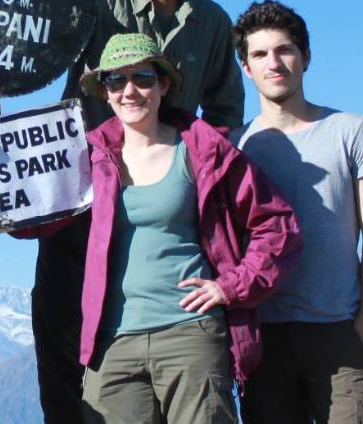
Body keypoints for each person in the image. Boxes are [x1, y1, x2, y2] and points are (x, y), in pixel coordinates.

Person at [36, 0, 247, 424]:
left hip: (166, 201)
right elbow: (40, 26)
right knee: (65, 329)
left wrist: (198, 166)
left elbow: (225, 110)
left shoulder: (212, 22)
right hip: (85, 195)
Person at [31, 34, 297, 423]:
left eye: (142, 77)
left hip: (190, 335)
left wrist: (231, 286)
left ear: (164, 85)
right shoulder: (89, 158)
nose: (129, 91)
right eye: (115, 82)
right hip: (113, 343)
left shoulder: (204, 150)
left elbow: (276, 225)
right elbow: (34, 220)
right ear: (104, 93)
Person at [231, 1, 363, 424]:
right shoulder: (233, 148)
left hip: (337, 331)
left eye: (284, 50)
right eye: (260, 54)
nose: (274, 63)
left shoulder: (350, 130)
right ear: (246, 67)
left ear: (305, 57)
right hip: (264, 338)